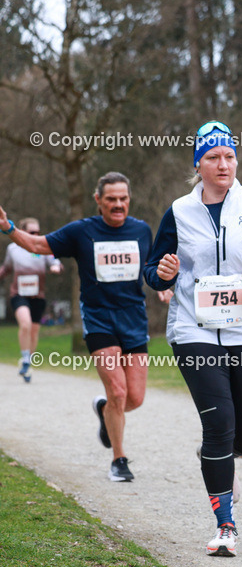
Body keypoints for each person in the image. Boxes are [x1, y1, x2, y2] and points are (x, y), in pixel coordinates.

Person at [144, 120, 242, 557]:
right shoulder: (178, 211)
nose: (223, 164)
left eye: (229, 156)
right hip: (192, 328)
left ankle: (217, 454)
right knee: (219, 424)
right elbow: (153, 266)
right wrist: (161, 273)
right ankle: (225, 524)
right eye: (213, 157)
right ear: (198, 164)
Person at [0, 173, 166, 482]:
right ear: (98, 200)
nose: (118, 205)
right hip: (99, 319)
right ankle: (119, 460)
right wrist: (8, 227)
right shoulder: (82, 232)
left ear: (129, 199)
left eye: (123, 199)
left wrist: (163, 286)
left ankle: (104, 409)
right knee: (118, 391)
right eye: (111, 199)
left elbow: (152, 266)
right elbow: (37, 244)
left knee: (135, 398)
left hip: (134, 320)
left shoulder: (142, 230)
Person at [0, 217, 62, 382]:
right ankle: (26, 358)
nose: (36, 234)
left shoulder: (42, 247)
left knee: (34, 332)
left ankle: (28, 363)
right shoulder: (13, 248)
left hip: (38, 296)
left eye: (38, 232)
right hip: (18, 294)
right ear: (23, 232)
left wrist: (56, 267)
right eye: (32, 232)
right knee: (25, 323)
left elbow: (54, 261)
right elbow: (6, 268)